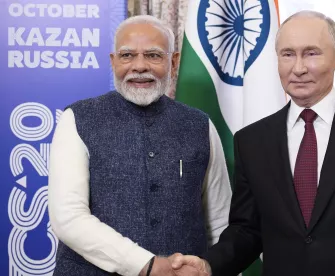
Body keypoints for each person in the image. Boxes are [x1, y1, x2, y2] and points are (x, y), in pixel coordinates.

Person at [170, 10, 335, 276]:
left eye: (311, 53)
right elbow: (247, 230)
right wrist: (208, 266)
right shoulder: (252, 141)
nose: (298, 68)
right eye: (288, 54)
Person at [48, 15, 232, 276]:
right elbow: (68, 218)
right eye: (127, 56)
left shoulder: (200, 125)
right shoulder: (77, 119)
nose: (139, 66)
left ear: (174, 62)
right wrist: (147, 265)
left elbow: (220, 220)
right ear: (113, 62)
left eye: (154, 55)